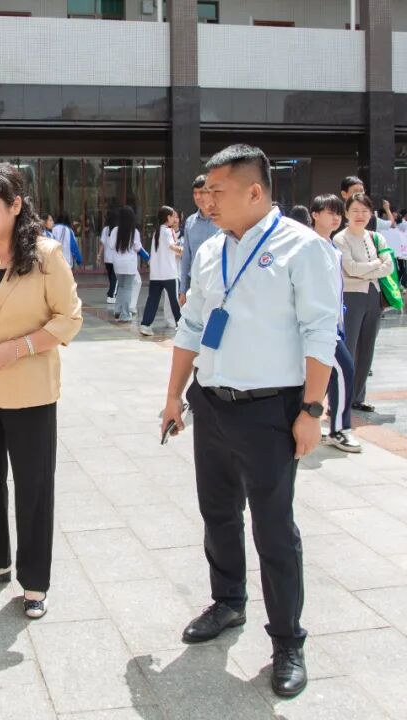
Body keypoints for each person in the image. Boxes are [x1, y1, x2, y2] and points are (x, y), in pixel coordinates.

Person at [161, 144, 339, 700]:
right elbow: (192, 325)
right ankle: (228, 602)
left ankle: (287, 641)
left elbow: (319, 332)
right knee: (217, 512)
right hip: (212, 402)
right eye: (205, 191)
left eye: (217, 191)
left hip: (270, 409)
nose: (206, 201)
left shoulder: (303, 248)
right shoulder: (212, 248)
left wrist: (312, 410)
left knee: (273, 528)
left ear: (255, 191)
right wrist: (173, 397)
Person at [0, 163, 83, 619]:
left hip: (30, 390)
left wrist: (21, 347)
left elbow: (70, 319)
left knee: (33, 486)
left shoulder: (46, 255)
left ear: (15, 205)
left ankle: (34, 580)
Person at [310, 194, 361, 453]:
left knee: (329, 373)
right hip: (318, 324)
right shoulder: (309, 246)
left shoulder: (332, 247)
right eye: (330, 212)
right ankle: (339, 429)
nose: (336, 218)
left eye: (338, 213)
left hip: (333, 321)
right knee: (344, 370)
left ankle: (318, 423)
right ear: (315, 214)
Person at [333, 192, 393, 414]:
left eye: (364, 211)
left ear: (371, 213)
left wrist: (365, 270)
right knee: (348, 349)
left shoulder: (376, 238)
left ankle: (358, 397)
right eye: (355, 210)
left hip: (373, 297)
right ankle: (341, 398)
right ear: (346, 213)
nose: (360, 215)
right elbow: (350, 268)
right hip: (351, 297)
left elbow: (389, 266)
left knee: (367, 349)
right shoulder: (340, 239)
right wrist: (376, 265)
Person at [139, 206, 183, 335]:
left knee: (152, 299)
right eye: (173, 216)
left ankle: (145, 324)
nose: (174, 219)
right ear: (168, 217)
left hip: (156, 274)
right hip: (169, 273)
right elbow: (172, 246)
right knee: (174, 300)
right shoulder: (167, 231)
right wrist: (183, 250)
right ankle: (181, 325)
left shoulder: (157, 232)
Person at [179, 174, 218, 306]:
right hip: (195, 285)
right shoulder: (190, 222)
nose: (197, 197)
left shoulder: (222, 220)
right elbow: (186, 257)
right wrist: (182, 290)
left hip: (217, 282)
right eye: (195, 193)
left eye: (202, 192)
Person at [109, 206, 147, 323]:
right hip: (129, 265)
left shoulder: (115, 230)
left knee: (121, 287)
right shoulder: (134, 232)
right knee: (127, 289)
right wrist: (148, 257)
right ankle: (125, 315)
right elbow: (138, 248)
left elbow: (111, 245)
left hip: (117, 264)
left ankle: (117, 310)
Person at [98, 209, 118, 305]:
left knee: (111, 277)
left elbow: (102, 244)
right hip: (115, 258)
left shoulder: (105, 229)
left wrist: (99, 255)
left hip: (107, 258)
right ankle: (111, 295)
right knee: (115, 277)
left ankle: (111, 292)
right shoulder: (118, 229)